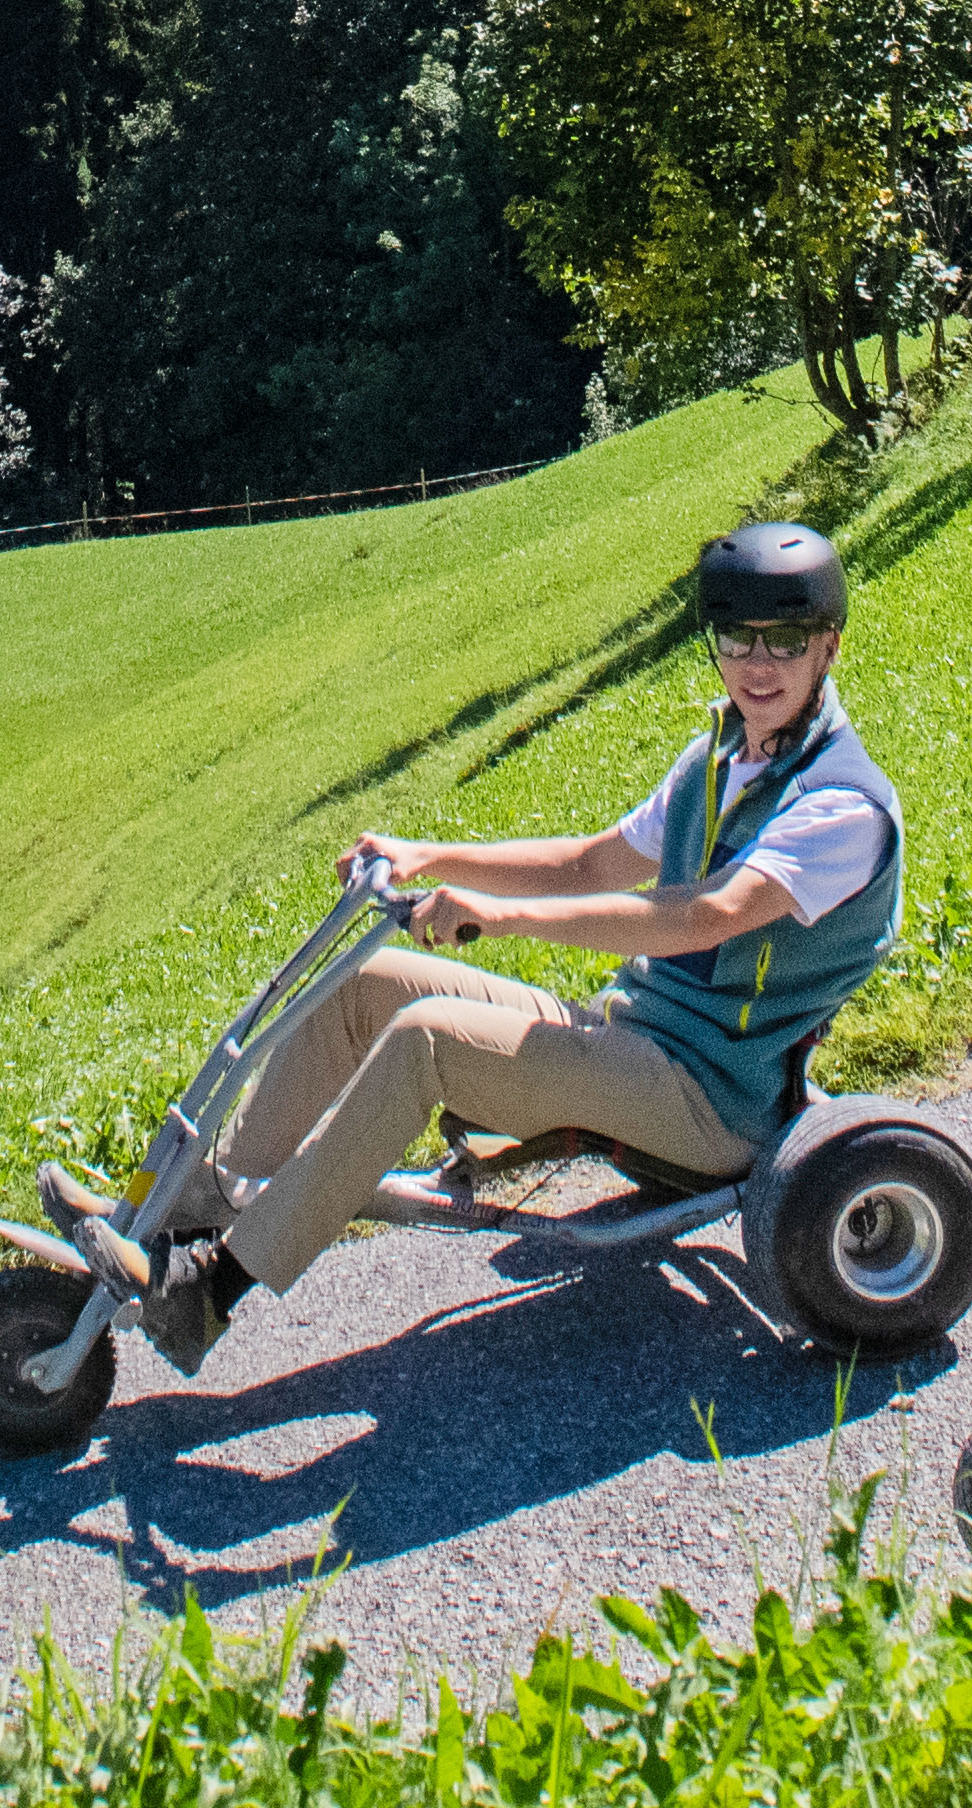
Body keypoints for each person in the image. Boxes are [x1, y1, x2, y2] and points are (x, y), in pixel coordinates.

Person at [87, 518, 907, 1367]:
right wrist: (427, 854)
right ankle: (178, 1220)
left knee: (425, 1042)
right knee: (364, 987)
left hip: (710, 1100)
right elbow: (593, 860)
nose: (759, 665)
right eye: (739, 638)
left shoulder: (840, 809)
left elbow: (704, 917)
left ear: (829, 647)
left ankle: (210, 1294)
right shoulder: (718, 758)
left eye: (787, 640)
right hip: (633, 1039)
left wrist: (500, 916)